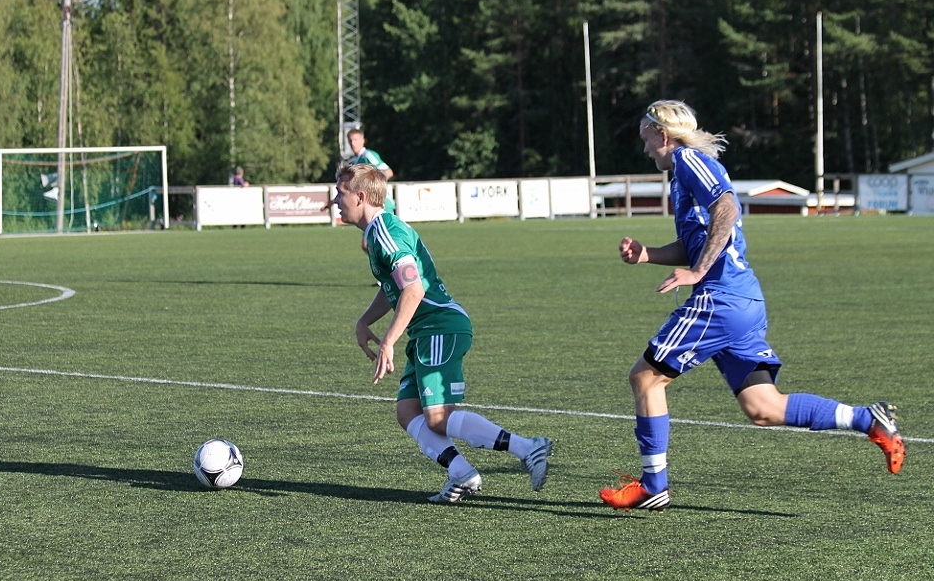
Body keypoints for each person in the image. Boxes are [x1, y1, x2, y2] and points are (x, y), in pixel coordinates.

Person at [599, 100, 905, 512]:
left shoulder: (688, 160)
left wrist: (698, 272)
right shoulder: (684, 172)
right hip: (742, 301)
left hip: (720, 298)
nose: (645, 149)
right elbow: (699, 240)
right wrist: (648, 255)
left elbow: (727, 208)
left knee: (646, 379)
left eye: (646, 139)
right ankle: (868, 420)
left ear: (663, 134)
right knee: (764, 407)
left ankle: (654, 485)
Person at [334, 163, 552, 503]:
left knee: (437, 418)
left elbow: (413, 289)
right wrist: (365, 321)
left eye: (340, 193)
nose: (335, 200)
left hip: (440, 327)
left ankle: (528, 448)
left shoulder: (386, 232)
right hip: (426, 331)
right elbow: (394, 289)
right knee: (408, 411)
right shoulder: (376, 233)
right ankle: (461, 473)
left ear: (360, 197)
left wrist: (389, 340)